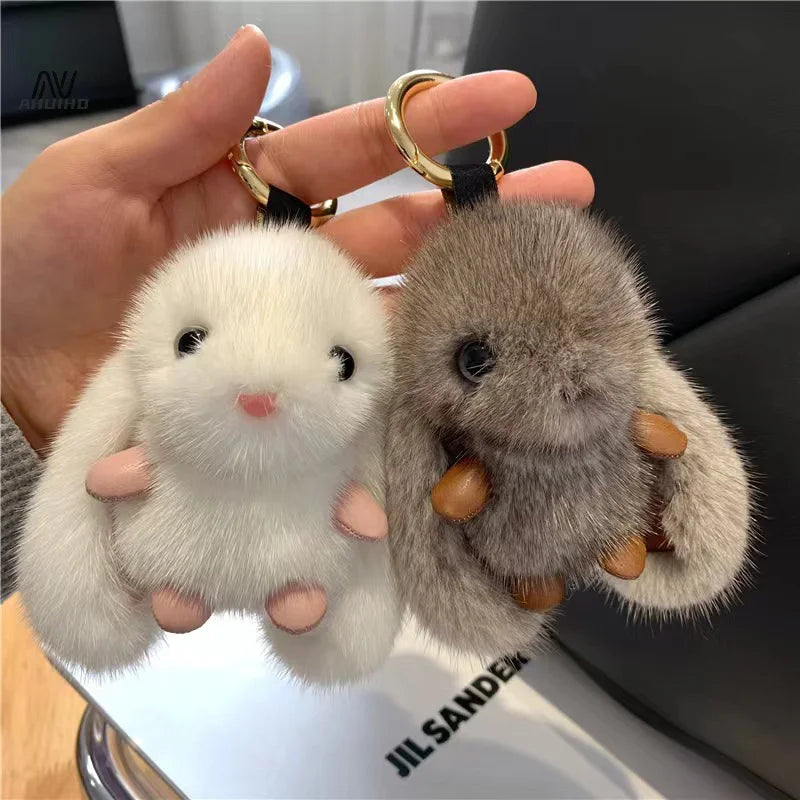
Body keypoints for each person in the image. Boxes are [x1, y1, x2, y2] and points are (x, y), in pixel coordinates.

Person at [0, 25, 594, 604]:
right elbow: (105, 471)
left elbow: (365, 478)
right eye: (191, 342)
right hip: (203, 531)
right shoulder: (165, 390)